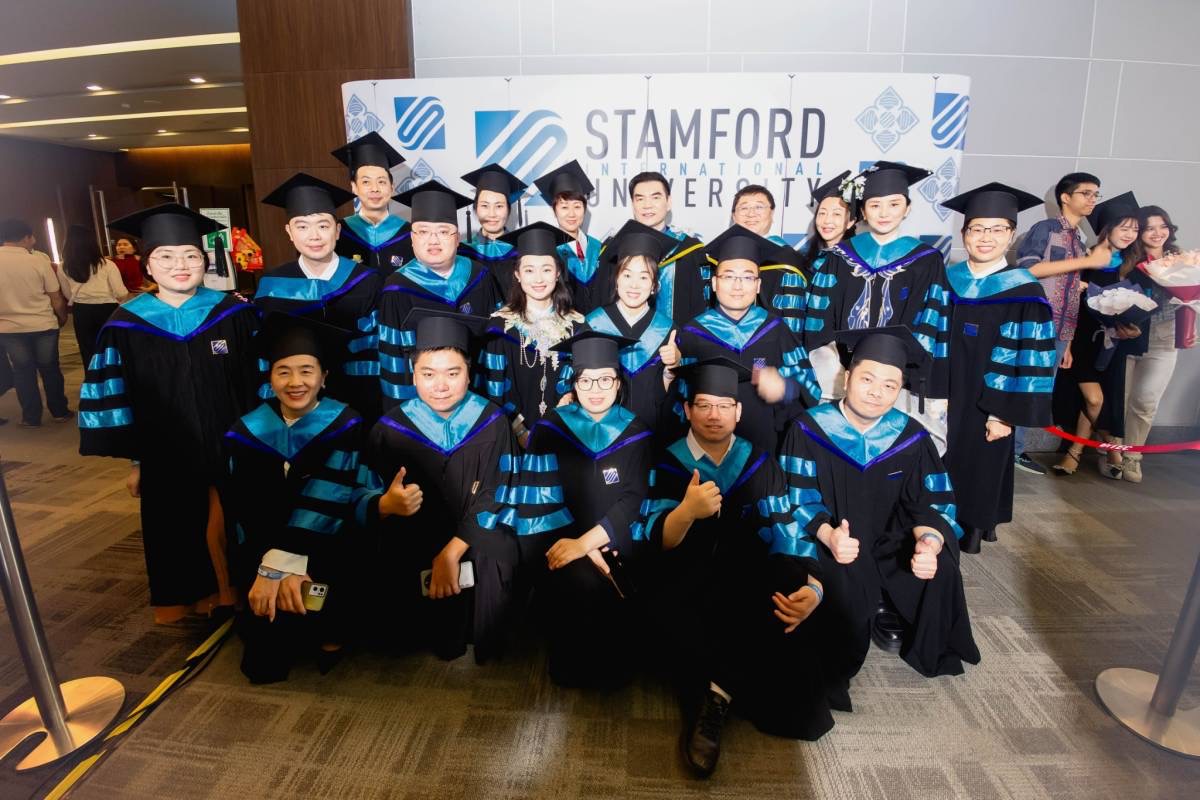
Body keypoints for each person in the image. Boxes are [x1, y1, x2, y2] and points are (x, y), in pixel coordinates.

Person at [637, 358, 829, 778]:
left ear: (739, 412)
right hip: (683, 582)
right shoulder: (667, 461)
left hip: (744, 583)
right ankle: (714, 700)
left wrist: (814, 588)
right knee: (698, 604)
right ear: (687, 410)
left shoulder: (759, 462)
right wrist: (686, 511)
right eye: (704, 405)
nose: (714, 415)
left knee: (785, 582)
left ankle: (716, 693)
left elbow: (786, 532)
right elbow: (657, 540)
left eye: (724, 405)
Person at [78, 204, 262, 623]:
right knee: (179, 528)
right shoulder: (124, 326)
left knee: (237, 520)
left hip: (234, 445)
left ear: (204, 261)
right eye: (166, 256)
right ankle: (198, 601)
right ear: (147, 265)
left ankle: (240, 596)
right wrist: (136, 461)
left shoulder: (234, 314)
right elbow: (117, 396)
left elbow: (261, 380)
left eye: (190, 255)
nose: (180, 266)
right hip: (165, 454)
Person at [778, 327, 978, 706]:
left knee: (942, 567)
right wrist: (828, 534)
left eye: (889, 385)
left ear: (900, 390)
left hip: (889, 541)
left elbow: (934, 500)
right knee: (836, 640)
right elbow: (795, 494)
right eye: (867, 379)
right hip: (832, 542)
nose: (876, 392)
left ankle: (894, 608)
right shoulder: (808, 429)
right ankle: (868, 608)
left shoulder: (910, 437)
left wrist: (929, 542)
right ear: (847, 378)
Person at [355, 310, 516, 662]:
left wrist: (452, 551)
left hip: (471, 538)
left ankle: (480, 633)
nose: (440, 385)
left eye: (452, 373)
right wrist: (384, 505)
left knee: (499, 547)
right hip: (414, 539)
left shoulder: (492, 422)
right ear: (413, 375)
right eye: (428, 374)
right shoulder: (390, 429)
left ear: (469, 374)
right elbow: (360, 490)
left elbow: (500, 492)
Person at [495, 330, 652, 687]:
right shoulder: (551, 429)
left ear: (618, 383)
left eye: (605, 379)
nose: (596, 389)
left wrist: (590, 544)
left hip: (615, 542)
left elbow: (636, 499)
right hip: (559, 539)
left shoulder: (637, 433)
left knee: (617, 585)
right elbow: (538, 498)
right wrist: (578, 547)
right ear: (574, 384)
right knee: (579, 582)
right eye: (586, 380)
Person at [224, 313, 364, 684]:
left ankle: (329, 629)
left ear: (324, 377)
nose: (295, 382)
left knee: (324, 614)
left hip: (325, 544)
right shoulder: (247, 431)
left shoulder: (345, 424)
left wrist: (284, 562)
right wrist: (268, 565)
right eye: (283, 372)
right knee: (262, 664)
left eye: (306, 371)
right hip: (265, 549)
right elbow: (245, 507)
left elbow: (332, 495)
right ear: (270, 379)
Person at [938, 183, 1056, 553]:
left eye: (997, 229)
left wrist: (1003, 414)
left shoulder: (1024, 291)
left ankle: (964, 537)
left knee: (977, 470)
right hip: (944, 396)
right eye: (976, 229)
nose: (985, 237)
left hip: (990, 404)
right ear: (964, 234)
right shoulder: (947, 280)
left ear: (1011, 234)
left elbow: (1031, 359)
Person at [801, 161, 952, 450]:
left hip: (900, 377)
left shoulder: (926, 260)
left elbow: (932, 322)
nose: (884, 213)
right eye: (874, 205)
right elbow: (821, 320)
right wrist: (834, 365)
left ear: (907, 208)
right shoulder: (840, 256)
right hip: (844, 372)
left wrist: (908, 372)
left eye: (894, 204)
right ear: (862, 211)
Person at [661, 224, 820, 452]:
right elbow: (676, 404)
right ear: (714, 283)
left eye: (747, 277)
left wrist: (786, 389)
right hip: (705, 455)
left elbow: (811, 390)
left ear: (758, 285)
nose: (737, 286)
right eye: (728, 276)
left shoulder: (776, 330)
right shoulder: (692, 333)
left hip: (762, 452)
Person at [255, 173, 383, 418]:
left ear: (337, 230)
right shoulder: (271, 286)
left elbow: (375, 351)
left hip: (357, 403)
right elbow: (264, 355)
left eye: (323, 226)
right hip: (294, 406)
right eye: (302, 226)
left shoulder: (367, 281)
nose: (314, 236)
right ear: (289, 232)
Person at [1011, 172, 1105, 475]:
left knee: (1039, 392)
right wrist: (1086, 263)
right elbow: (1028, 270)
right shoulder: (1047, 229)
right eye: (1086, 193)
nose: (1092, 200)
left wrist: (1068, 342)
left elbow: (1068, 290)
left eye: (1096, 194)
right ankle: (1010, 451)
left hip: (1062, 329)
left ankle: (1016, 451)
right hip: (1036, 322)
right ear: (1065, 197)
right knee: (1024, 386)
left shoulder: (1079, 239)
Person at [376, 181, 499, 411]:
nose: (433, 241)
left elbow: (495, 346)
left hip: (478, 403)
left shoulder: (480, 277)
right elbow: (393, 360)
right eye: (423, 232)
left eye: (443, 232)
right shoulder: (396, 289)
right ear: (412, 238)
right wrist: (407, 417)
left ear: (457, 238)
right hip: (420, 409)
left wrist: (492, 404)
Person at [1051, 192, 1141, 477]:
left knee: (1103, 399)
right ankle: (1112, 446)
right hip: (1083, 340)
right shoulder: (1087, 257)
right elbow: (1070, 302)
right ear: (1107, 229)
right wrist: (1066, 343)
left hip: (1113, 345)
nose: (1129, 234)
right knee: (1093, 399)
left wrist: (1133, 326)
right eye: (1123, 227)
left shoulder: (1135, 265)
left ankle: (1075, 454)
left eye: (1134, 229)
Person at [476, 221, 583, 446]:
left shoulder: (577, 326)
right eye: (529, 270)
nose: (538, 279)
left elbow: (583, 383)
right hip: (511, 439)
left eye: (546, 269)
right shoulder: (500, 328)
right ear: (517, 274)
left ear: (558, 273)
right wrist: (518, 431)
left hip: (564, 436)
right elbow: (493, 389)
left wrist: (570, 402)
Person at [1120, 205, 1192, 483]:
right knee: (1120, 398)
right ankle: (1112, 453)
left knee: (1146, 401)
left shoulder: (1181, 260)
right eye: (1149, 228)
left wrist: (1190, 327)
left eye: (1163, 226)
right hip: (1129, 336)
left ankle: (1132, 456)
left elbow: (1190, 299)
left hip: (1164, 338)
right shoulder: (1127, 259)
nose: (1157, 233)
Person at [583, 221, 677, 428]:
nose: (634, 285)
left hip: (652, 432)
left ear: (654, 286)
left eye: (644, 277)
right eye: (627, 275)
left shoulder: (667, 330)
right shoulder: (594, 324)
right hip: (603, 431)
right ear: (616, 280)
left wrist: (671, 371)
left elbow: (670, 398)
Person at [605, 171, 709, 325]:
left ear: (669, 202)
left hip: (678, 338)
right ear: (633, 205)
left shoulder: (690, 250)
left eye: (655, 197)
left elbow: (700, 305)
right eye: (640, 199)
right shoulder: (614, 249)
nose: (647, 205)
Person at [0, 218, 71, 428]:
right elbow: (55, 296)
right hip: (43, 324)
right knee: (50, 369)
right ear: (26, 237)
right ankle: (59, 411)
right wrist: (62, 317)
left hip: (9, 327)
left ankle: (31, 417)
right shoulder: (38, 261)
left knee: (23, 371)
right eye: (32, 237)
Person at [730, 183, 810, 334]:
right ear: (734, 216)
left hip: (771, 344)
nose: (751, 214)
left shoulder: (788, 260)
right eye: (744, 208)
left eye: (759, 207)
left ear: (772, 213)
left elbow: (792, 322)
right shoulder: (720, 258)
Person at [331, 131, 412, 272]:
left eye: (381, 181)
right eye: (366, 182)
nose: (375, 189)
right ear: (354, 187)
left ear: (392, 188)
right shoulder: (338, 233)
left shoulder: (410, 233)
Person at [535, 160, 606, 315]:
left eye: (577, 206)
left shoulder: (598, 247)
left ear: (585, 209)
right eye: (564, 207)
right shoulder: (549, 251)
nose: (571, 214)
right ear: (554, 211)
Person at [58, 224, 131, 371]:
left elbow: (67, 294)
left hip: (81, 311)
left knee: (88, 351)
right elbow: (121, 293)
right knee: (112, 349)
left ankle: (94, 381)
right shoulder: (107, 264)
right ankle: (115, 380)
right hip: (108, 310)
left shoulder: (63, 266)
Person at [460, 163, 527, 299]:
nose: (492, 214)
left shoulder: (523, 251)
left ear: (508, 210)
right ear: (475, 209)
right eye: (485, 206)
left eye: (499, 206)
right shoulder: (463, 252)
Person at [796, 170, 857, 280]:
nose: (827, 220)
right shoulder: (803, 258)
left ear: (850, 222)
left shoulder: (858, 263)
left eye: (836, 214)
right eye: (822, 213)